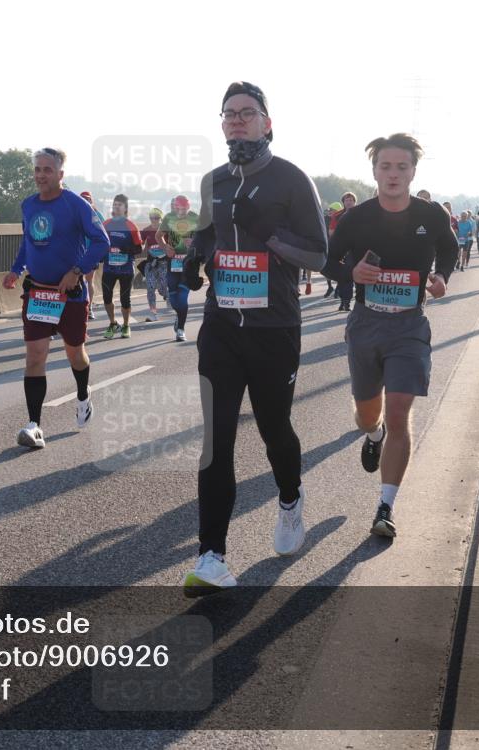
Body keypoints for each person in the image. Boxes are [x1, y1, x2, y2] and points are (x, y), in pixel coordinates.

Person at [180, 81, 328, 596]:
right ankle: (212, 557)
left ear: (267, 122)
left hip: (274, 329)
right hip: (221, 326)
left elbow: (318, 254)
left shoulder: (291, 179)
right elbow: (206, 233)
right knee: (216, 441)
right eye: (230, 114)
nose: (238, 120)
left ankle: (290, 497)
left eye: (247, 113)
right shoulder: (213, 181)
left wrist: (269, 238)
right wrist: (194, 258)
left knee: (274, 429)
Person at [323, 133, 457, 538]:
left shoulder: (431, 214)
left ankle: (385, 506)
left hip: (410, 325)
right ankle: (373, 433)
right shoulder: (357, 217)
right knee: (369, 414)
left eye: (402, 167)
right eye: (386, 166)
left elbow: (449, 249)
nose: (393, 174)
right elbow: (327, 260)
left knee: (399, 411)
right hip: (366, 323)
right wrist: (350, 273)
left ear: (413, 172)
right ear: (375, 171)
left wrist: (441, 276)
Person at [3, 148, 109, 449]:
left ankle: (83, 395)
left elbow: (102, 241)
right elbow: (27, 242)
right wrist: (15, 269)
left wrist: (77, 271)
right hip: (38, 292)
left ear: (60, 174)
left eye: (47, 170)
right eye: (37, 169)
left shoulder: (75, 205)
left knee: (75, 353)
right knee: (35, 356)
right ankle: (34, 425)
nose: (41, 175)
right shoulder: (28, 205)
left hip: (70, 295)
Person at [101, 194, 143, 339]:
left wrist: (126, 249)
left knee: (125, 299)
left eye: (119, 205)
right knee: (107, 298)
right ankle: (113, 323)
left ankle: (126, 325)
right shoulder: (106, 224)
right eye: (114, 204)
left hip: (126, 268)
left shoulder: (130, 226)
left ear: (125, 208)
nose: (116, 207)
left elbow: (139, 249)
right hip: (109, 268)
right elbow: (99, 243)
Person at [157, 195, 199, 342]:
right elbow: (158, 236)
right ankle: (179, 315)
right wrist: (165, 247)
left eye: (184, 209)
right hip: (173, 262)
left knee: (182, 297)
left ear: (188, 207)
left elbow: (205, 238)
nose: (181, 212)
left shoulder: (195, 218)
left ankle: (181, 329)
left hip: (189, 264)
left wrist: (194, 242)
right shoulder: (169, 218)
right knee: (174, 298)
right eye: (178, 209)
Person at [79, 191, 106, 320]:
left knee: (89, 280)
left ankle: (89, 308)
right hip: (78, 252)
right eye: (83, 198)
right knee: (79, 280)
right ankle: (80, 307)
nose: (86, 201)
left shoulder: (97, 215)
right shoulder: (75, 213)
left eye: (88, 199)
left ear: (91, 201)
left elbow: (104, 233)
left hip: (91, 252)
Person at [139, 207, 167, 321]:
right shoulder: (146, 230)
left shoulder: (166, 230)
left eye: (156, 218)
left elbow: (173, 245)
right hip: (151, 263)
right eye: (151, 218)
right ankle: (153, 313)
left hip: (164, 263)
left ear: (161, 218)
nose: (154, 220)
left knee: (163, 288)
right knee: (150, 288)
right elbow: (139, 244)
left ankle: (165, 294)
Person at [333, 191, 358, 311]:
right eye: (347, 200)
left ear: (355, 202)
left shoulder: (361, 213)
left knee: (355, 276)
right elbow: (331, 232)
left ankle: (352, 301)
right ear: (343, 202)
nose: (349, 202)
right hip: (342, 249)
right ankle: (344, 301)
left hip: (356, 248)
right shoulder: (337, 215)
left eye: (351, 200)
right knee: (344, 276)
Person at [323, 202, 344, 298]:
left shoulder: (341, 219)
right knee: (325, 267)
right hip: (327, 246)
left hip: (339, 247)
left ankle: (338, 288)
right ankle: (330, 287)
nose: (329, 212)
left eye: (331, 210)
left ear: (337, 211)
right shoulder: (326, 219)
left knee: (339, 268)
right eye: (329, 210)